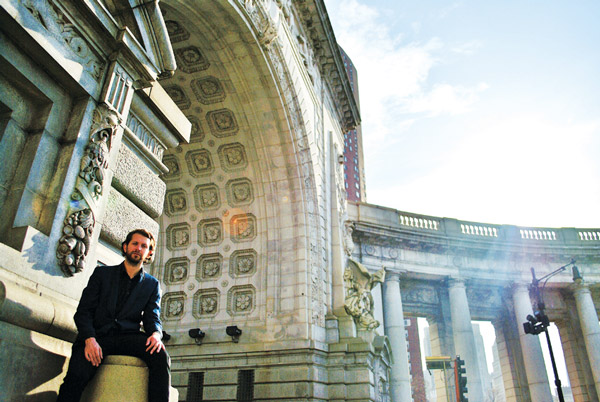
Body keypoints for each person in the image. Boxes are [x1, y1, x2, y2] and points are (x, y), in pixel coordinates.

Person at [57, 229, 170, 402]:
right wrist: (89, 339)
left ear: (149, 253)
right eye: (135, 244)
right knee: (76, 376)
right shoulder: (102, 274)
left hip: (126, 337)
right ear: (125, 247)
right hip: (97, 336)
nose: (138, 248)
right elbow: (83, 312)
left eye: (143, 246)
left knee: (160, 355)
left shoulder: (152, 285)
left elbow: (152, 317)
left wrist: (156, 334)